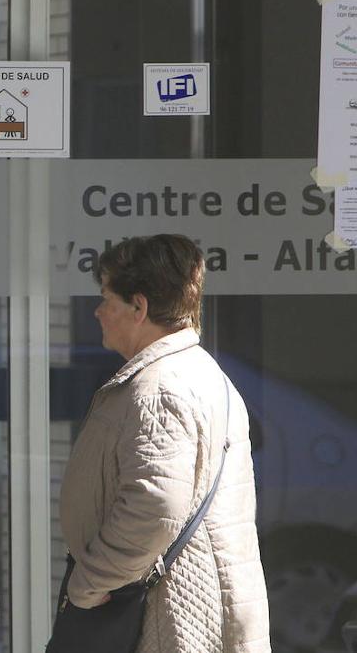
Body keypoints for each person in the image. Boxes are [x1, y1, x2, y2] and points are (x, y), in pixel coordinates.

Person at [57, 235, 270, 652]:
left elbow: (154, 507)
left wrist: (88, 583)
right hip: (195, 613)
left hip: (173, 622)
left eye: (106, 298)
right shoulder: (198, 372)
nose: (98, 312)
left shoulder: (159, 387)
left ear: (139, 307)